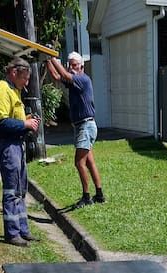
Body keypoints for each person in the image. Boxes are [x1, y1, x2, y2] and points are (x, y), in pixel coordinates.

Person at [0, 57, 41, 246]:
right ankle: (12, 234)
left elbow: (12, 117)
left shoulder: (13, 90)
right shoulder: (2, 89)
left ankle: (22, 230)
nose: (26, 83)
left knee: (20, 190)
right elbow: (2, 123)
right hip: (8, 145)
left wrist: (26, 119)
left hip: (17, 145)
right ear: (13, 73)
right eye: (24, 79)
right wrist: (24, 123)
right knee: (11, 191)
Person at [46, 52, 105, 207]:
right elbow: (57, 77)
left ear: (81, 67)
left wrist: (52, 58)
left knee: (79, 163)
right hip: (82, 126)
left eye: (74, 65)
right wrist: (46, 61)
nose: (71, 68)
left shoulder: (83, 79)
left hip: (86, 126)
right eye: (70, 65)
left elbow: (64, 74)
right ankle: (99, 195)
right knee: (90, 162)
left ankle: (86, 197)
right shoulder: (74, 81)